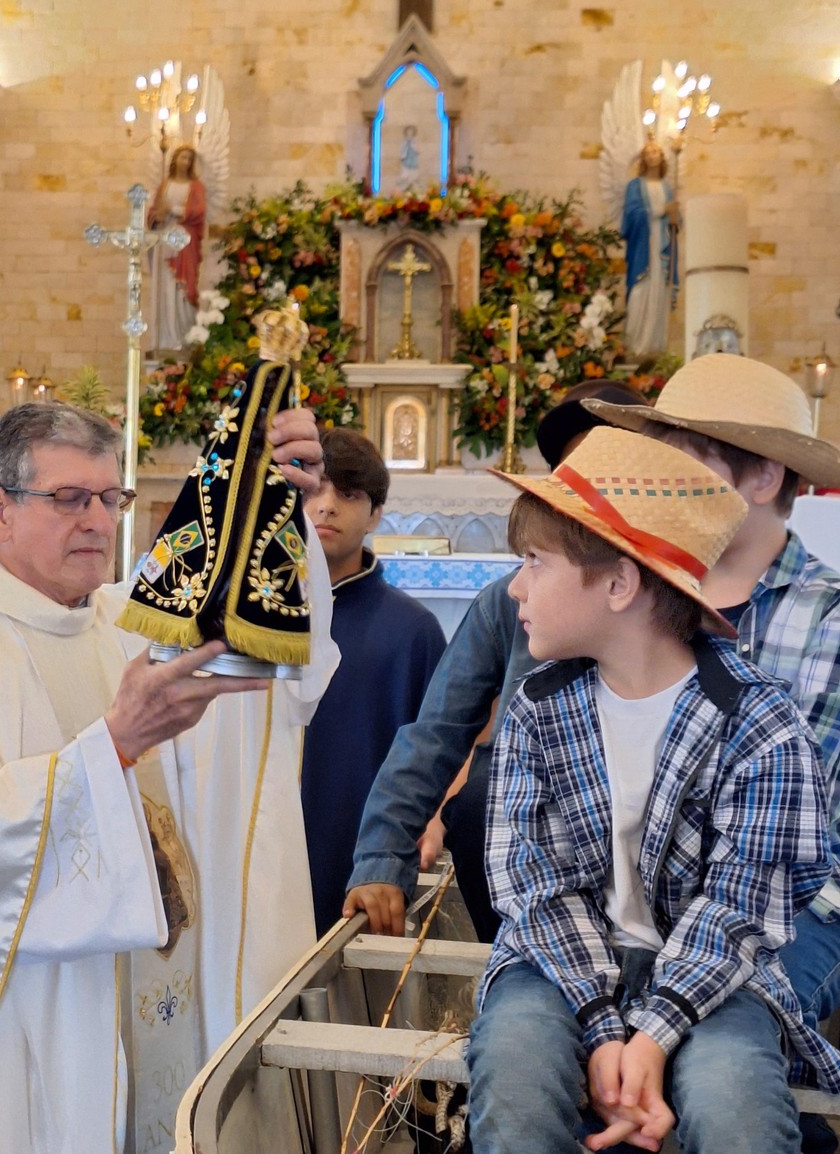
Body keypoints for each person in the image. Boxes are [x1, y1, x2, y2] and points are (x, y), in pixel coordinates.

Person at [0, 401, 337, 1154]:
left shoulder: (119, 621)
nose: (98, 520)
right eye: (69, 499)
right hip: (28, 1023)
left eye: (110, 498)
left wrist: (271, 501)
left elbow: (263, 645)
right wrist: (113, 747)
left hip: (147, 1006)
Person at [465, 424, 840, 1154]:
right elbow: (535, 887)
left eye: (536, 562)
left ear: (619, 582)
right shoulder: (539, 709)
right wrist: (606, 1029)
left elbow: (742, 904)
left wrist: (655, 1033)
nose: (516, 586)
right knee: (514, 1070)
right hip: (562, 960)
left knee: (736, 1104)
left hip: (714, 972)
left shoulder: (759, 721)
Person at [584, 352, 840, 1154]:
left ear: (764, 477)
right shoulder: (636, 594)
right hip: (634, 893)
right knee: (558, 1047)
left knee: (718, 1059)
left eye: (687, 460)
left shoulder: (828, 621)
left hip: (788, 909)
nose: (660, 481)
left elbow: (789, 835)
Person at [345, 380, 650, 943]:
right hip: (519, 862)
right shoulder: (506, 602)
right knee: (482, 799)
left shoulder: (674, 607)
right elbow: (434, 733)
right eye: (575, 471)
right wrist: (383, 858)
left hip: (648, 878)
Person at [301, 428, 446, 936]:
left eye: (349, 494)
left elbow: (443, 744)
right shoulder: (260, 617)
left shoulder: (413, 629)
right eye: (313, 490)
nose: (326, 507)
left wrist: (428, 816)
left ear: (377, 513)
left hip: (359, 843)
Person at [622, 139, 678, 358]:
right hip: (642, 248)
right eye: (649, 152)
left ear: (662, 158)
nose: (653, 155)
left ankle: (655, 346)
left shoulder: (667, 188)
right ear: (643, 159)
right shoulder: (634, 186)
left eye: (657, 152)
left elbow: (675, 221)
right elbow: (631, 215)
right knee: (639, 292)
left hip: (662, 249)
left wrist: (675, 217)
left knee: (660, 292)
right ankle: (636, 344)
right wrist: (659, 210)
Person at [149, 143, 207, 351]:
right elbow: (154, 212)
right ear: (174, 159)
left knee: (183, 286)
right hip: (164, 239)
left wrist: (172, 209)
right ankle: (166, 336)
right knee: (166, 285)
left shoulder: (196, 186)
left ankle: (182, 335)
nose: (186, 162)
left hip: (185, 241)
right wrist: (157, 215)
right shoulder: (165, 185)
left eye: (189, 159)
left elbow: (198, 211)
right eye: (183, 157)